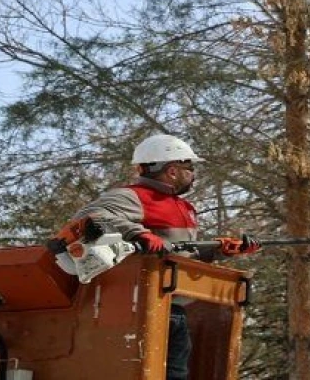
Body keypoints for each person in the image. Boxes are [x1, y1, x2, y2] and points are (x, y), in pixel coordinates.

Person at [71, 133, 260, 380]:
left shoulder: (184, 208)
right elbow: (88, 217)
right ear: (172, 171)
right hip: (140, 307)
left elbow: (182, 253)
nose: (193, 173)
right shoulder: (133, 196)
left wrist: (220, 250)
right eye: (189, 166)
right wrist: (138, 233)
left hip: (174, 308)